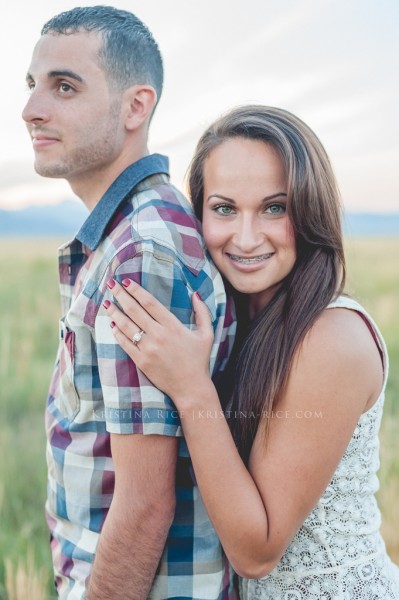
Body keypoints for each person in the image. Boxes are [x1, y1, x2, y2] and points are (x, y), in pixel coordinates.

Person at [105, 105, 399, 599]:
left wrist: (191, 387)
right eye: (224, 209)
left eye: (274, 208)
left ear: (310, 211)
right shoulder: (236, 325)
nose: (244, 237)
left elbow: (256, 552)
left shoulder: (332, 337)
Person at [22, 6, 237, 599]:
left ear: (135, 107)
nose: (31, 109)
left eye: (64, 86)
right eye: (32, 85)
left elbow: (144, 507)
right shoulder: (127, 234)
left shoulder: (141, 250)